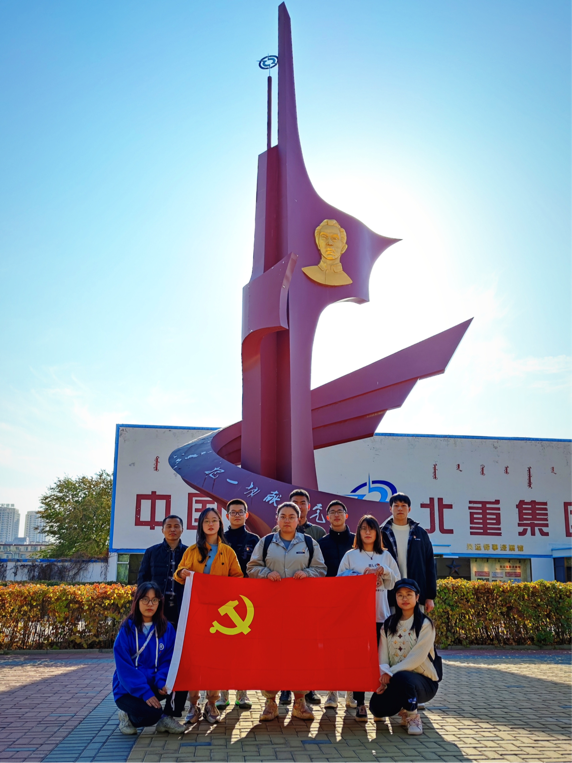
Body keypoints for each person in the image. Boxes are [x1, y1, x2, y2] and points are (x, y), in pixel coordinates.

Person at [247, 501, 327, 721]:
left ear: (298, 519)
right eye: (283, 516)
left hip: (301, 610)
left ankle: (300, 702)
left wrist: (308, 573)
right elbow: (251, 568)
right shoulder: (266, 542)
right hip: (270, 610)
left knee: (300, 654)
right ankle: (270, 702)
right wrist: (266, 573)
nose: (287, 520)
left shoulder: (309, 543)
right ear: (277, 518)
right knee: (270, 655)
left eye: (292, 516)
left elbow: (321, 569)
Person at [174, 507, 243, 724]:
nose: (211, 524)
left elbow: (238, 577)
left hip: (220, 614)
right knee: (194, 659)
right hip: (196, 612)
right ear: (201, 526)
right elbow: (179, 572)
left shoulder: (228, 552)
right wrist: (183, 573)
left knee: (215, 659)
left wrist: (223, 587)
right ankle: (193, 705)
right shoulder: (192, 550)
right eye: (206, 521)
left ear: (220, 524)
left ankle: (212, 703)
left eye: (214, 520)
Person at [337, 514, 400, 721]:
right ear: (358, 531)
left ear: (377, 532)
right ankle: (360, 703)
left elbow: (397, 581)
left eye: (371, 528)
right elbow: (339, 580)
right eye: (363, 528)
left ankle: (379, 702)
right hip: (357, 617)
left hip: (381, 614)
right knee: (359, 660)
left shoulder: (386, 556)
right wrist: (359, 577)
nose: (367, 532)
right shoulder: (351, 555)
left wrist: (385, 571)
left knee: (381, 660)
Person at [113, 582, 184, 735]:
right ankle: (126, 716)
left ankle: (166, 718)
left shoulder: (166, 628)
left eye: (154, 600)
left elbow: (168, 660)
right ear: (137, 601)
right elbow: (125, 669)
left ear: (159, 602)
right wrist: (145, 692)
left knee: (183, 676)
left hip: (154, 684)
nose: (150, 604)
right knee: (152, 714)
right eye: (145, 599)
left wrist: (161, 681)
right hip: (128, 689)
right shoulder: (127, 629)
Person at [371, 578, 440, 735]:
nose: (404, 598)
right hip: (396, 679)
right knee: (377, 707)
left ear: (417, 597)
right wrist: (383, 678)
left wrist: (390, 673)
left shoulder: (425, 624)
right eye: (400, 595)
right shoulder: (388, 624)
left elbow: (417, 657)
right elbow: (383, 655)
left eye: (409, 594)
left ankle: (413, 716)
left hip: (424, 683)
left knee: (404, 678)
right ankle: (403, 707)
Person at [137, 514, 188, 718]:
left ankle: (174, 710)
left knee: (181, 658)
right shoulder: (151, 553)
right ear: (162, 529)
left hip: (183, 611)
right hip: (159, 612)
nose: (172, 529)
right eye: (169, 526)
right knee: (156, 654)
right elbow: (142, 582)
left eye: (176, 526)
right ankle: (149, 701)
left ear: (182, 529)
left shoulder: (190, 553)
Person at [216, 498, 260, 711]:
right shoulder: (218, 539)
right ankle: (223, 693)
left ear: (246, 515)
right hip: (222, 600)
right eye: (232, 512)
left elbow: (259, 567)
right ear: (226, 516)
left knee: (244, 649)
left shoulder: (255, 539)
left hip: (247, 601)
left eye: (240, 512)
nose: (236, 515)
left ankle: (242, 693)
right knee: (223, 649)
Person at [318, 500, 357, 710]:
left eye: (339, 511)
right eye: (332, 512)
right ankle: (332, 693)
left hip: (354, 604)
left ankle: (351, 693)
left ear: (346, 515)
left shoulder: (357, 541)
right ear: (327, 517)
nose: (336, 515)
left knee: (351, 648)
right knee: (330, 649)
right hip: (329, 603)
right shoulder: (321, 543)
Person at [381, 493, 436, 613]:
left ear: (409, 509)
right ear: (390, 509)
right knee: (392, 625)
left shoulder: (420, 533)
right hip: (390, 595)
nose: (400, 508)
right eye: (396, 506)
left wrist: (430, 596)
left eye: (403, 505)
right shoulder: (382, 533)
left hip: (415, 594)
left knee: (416, 625)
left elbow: (430, 564)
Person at [302, 218, 353, 286]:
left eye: (334, 238)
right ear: (318, 244)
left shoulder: (346, 279)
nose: (329, 243)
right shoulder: (308, 271)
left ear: (343, 247)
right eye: (324, 237)